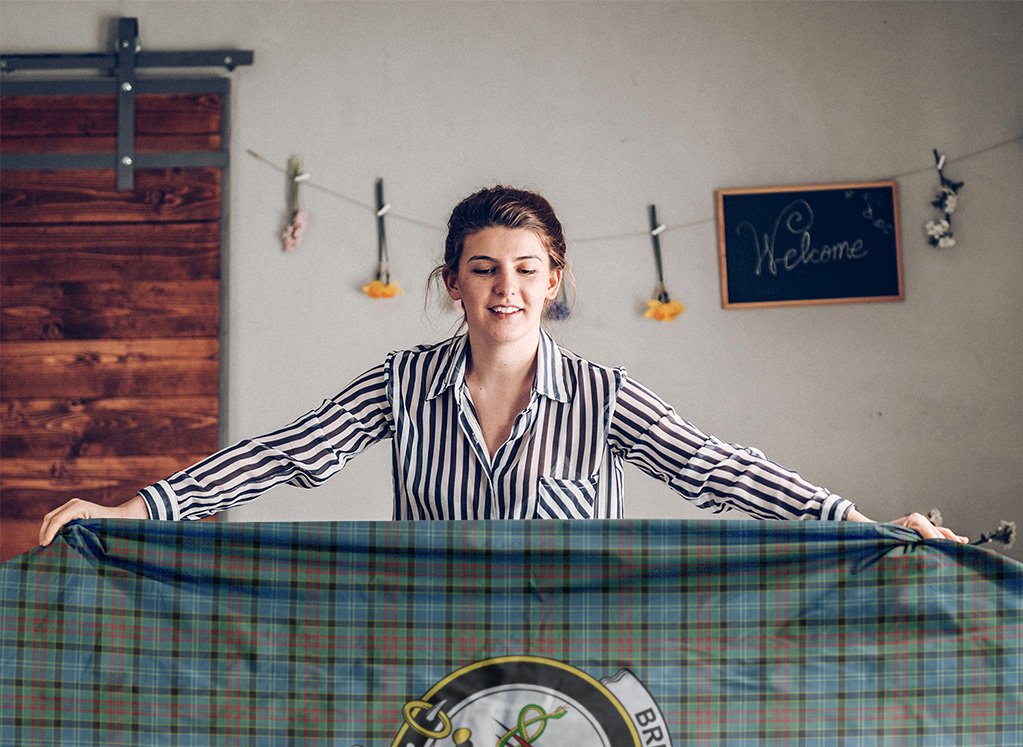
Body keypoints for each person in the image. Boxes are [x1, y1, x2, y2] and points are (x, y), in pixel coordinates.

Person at [38, 186, 967, 546]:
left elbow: (719, 469)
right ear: (453, 283)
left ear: (555, 280)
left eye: (526, 271)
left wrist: (858, 523)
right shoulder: (402, 382)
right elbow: (284, 455)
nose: (506, 289)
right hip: (432, 655)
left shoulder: (604, 397)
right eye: (484, 270)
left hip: (578, 662)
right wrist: (135, 511)